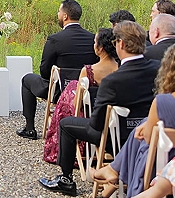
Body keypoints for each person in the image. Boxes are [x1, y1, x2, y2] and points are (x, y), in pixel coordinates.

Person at [39, 21, 160, 197]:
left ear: (121, 44)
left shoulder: (113, 81)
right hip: (150, 134)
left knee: (66, 124)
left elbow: (96, 124)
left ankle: (66, 180)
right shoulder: (158, 69)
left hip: (116, 137)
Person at [95, 42, 175, 198]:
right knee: (144, 129)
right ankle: (113, 171)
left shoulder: (162, 102)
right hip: (173, 166)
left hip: (159, 170)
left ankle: (114, 172)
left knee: (143, 141)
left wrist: (147, 127)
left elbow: (151, 141)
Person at [17, 0, 97, 140]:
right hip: (87, 91)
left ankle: (30, 128)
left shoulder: (55, 39)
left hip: (59, 91)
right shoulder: (92, 39)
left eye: (59, 12)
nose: (57, 14)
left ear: (65, 16)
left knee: (27, 80)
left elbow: (44, 71)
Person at [43, 28, 119, 164]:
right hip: (114, 123)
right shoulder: (120, 69)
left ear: (100, 48)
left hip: (91, 118)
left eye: (95, 42)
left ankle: (63, 152)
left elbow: (77, 105)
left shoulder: (88, 71)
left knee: (70, 92)